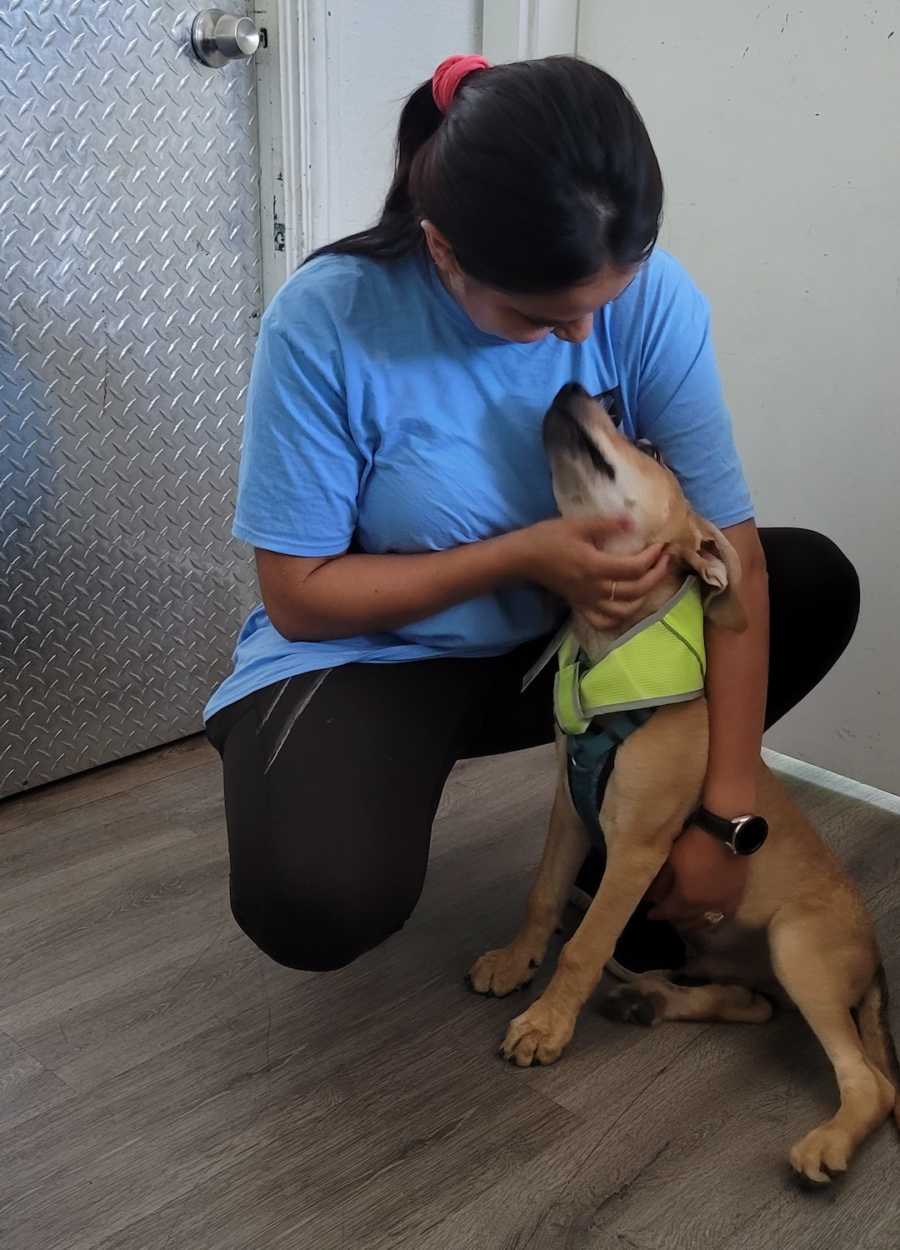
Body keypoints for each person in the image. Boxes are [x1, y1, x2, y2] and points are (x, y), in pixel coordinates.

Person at [204, 54, 859, 974]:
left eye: (611, 299)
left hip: (567, 649)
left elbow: (735, 558)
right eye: (541, 320)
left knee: (809, 581)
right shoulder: (327, 324)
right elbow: (300, 597)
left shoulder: (650, 295)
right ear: (442, 250)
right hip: (382, 652)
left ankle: (626, 855)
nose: (584, 341)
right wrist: (525, 557)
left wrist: (728, 816)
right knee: (314, 899)